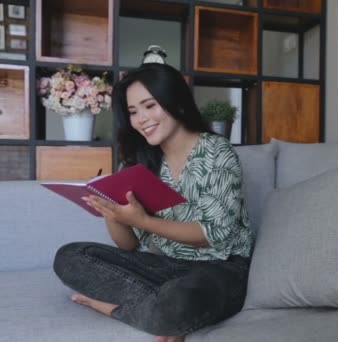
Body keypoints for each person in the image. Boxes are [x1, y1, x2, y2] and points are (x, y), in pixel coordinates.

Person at [53, 63, 252, 342]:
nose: (141, 119)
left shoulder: (217, 151)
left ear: (176, 102)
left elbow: (214, 234)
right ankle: (163, 313)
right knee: (69, 257)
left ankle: (116, 309)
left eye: (150, 105)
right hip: (165, 266)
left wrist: (142, 221)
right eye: (133, 112)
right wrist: (111, 210)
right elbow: (129, 245)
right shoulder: (141, 163)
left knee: (181, 301)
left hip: (221, 267)